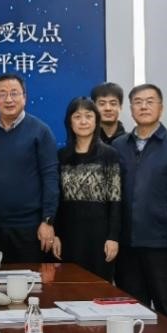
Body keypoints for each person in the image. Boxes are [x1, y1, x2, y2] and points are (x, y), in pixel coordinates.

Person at [112, 83, 167, 321]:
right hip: (127, 244)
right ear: (130, 109)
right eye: (138, 102)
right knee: (131, 310)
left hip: (163, 244)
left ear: (161, 107)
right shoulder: (119, 146)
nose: (144, 107)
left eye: (150, 101)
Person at [0, 74, 58, 264]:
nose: (8, 99)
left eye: (14, 93)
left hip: (30, 228)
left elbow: (51, 178)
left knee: (30, 280)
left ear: (24, 97)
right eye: (2, 94)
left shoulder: (40, 131)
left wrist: (47, 221)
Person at [52, 97, 121, 280]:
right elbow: (56, 199)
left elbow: (115, 200)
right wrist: (55, 234)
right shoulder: (61, 156)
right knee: (69, 286)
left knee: (99, 287)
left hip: (100, 236)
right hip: (68, 235)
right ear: (70, 122)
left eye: (88, 116)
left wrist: (113, 237)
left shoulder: (109, 154)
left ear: (96, 120)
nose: (83, 121)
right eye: (77, 116)